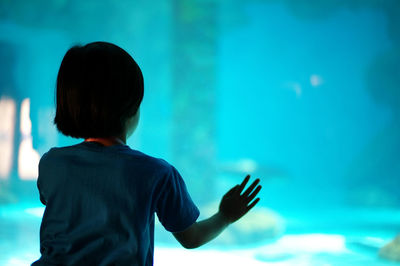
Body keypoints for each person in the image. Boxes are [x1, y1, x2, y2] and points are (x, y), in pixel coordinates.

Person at [32, 41, 262, 266]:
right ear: (132, 107)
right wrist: (225, 216)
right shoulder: (156, 173)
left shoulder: (52, 164)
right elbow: (192, 238)